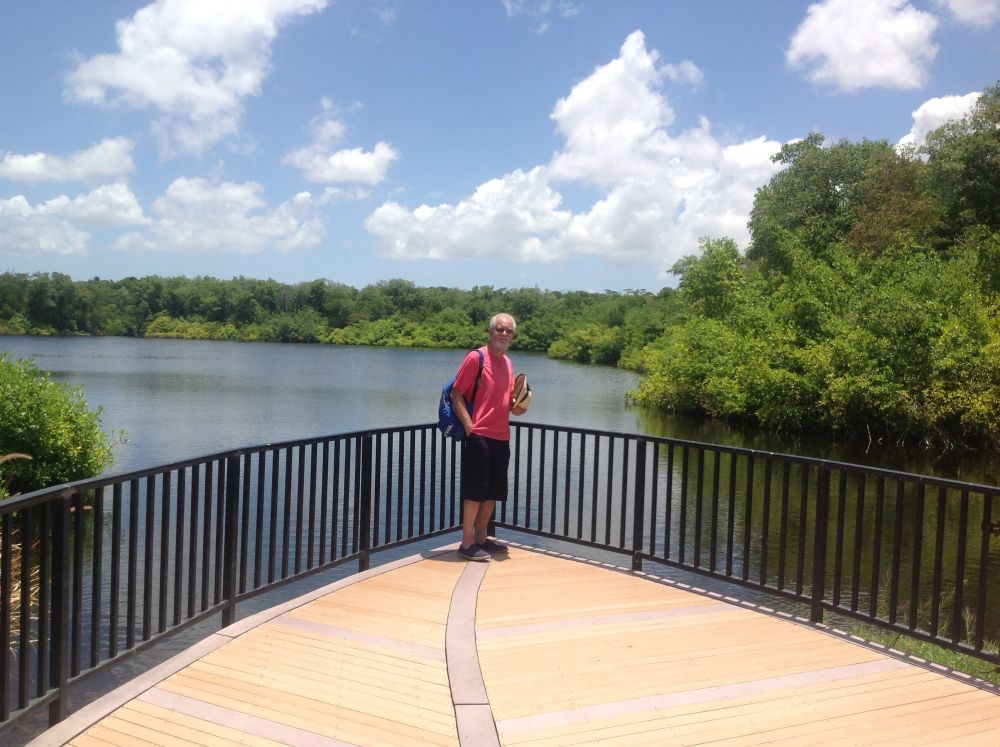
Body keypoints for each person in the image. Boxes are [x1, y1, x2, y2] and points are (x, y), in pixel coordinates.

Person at [450, 313, 527, 561]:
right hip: (479, 435)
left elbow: (505, 399)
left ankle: (482, 537)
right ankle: (467, 543)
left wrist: (515, 406)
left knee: (493, 491)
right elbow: (456, 394)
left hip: (502, 436)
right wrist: (470, 426)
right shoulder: (476, 358)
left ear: (513, 336)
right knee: (475, 492)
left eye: (508, 331)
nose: (503, 334)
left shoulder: (508, 363)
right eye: (499, 329)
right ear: (490, 331)